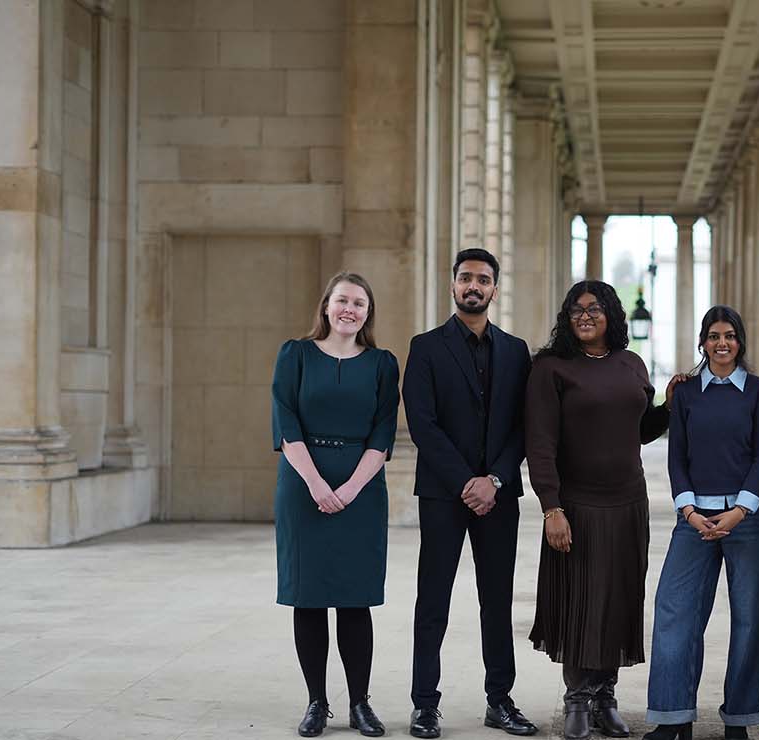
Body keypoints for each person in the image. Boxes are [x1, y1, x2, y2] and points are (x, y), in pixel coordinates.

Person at [525, 280, 680, 740]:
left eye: (594, 308)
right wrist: (551, 506)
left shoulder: (630, 363)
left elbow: (640, 429)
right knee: (580, 602)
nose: (585, 315)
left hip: (629, 502)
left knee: (617, 598)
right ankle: (577, 699)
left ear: (611, 314)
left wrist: (668, 406)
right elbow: (540, 443)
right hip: (576, 503)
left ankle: (605, 697)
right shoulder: (551, 368)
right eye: (576, 309)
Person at [403, 249, 536, 739]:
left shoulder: (517, 350)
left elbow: (525, 425)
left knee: (496, 601)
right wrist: (466, 482)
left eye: (482, 279)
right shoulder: (425, 347)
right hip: (443, 494)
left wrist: (494, 480)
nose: (473, 286)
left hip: (498, 496)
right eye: (465, 278)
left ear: (495, 290)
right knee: (432, 600)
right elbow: (423, 424)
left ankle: (499, 701)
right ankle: (424, 704)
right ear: (453, 285)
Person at [271, 272, 400, 738]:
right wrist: (317, 484)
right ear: (326, 305)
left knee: (354, 599)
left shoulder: (384, 364)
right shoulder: (296, 354)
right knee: (308, 598)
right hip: (303, 486)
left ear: (368, 313)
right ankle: (316, 702)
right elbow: (285, 423)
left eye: (359, 304)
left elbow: (383, 433)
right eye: (343, 300)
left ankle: (360, 704)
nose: (350, 309)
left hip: (362, 490)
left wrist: (348, 489)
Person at [644, 306, 759, 740]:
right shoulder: (685, 393)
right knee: (674, 611)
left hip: (749, 520)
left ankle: (738, 721)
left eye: (730, 336)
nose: (722, 343)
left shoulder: (758, 391)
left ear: (741, 342)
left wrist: (740, 510)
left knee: (749, 620)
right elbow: (676, 455)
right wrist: (689, 511)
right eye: (714, 336)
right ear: (702, 342)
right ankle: (672, 716)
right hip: (694, 519)